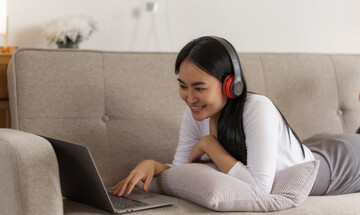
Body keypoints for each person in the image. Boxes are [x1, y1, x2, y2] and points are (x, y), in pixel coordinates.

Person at [112, 36, 360, 197]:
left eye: (199, 88)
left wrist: (210, 144)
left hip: (341, 165)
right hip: (315, 146)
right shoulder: (196, 112)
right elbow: (183, 171)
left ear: (231, 85)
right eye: (183, 86)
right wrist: (154, 166)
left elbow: (259, 191)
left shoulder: (256, 108)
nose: (189, 98)